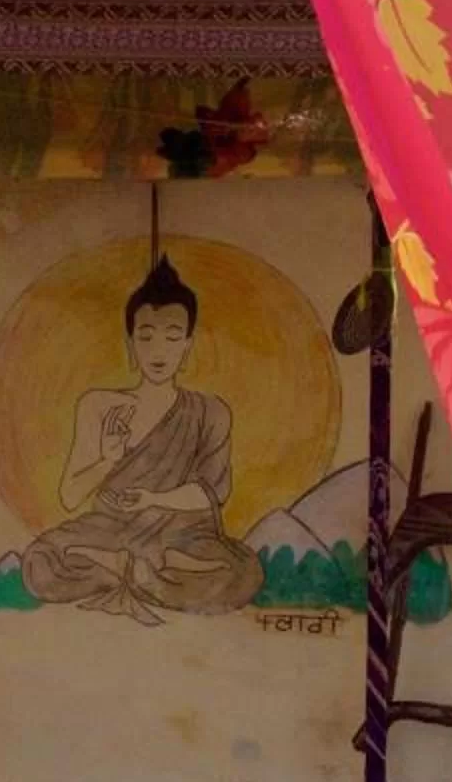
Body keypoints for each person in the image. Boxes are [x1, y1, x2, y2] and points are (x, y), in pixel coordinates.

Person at [18, 255, 266, 623]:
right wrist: (108, 459)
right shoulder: (100, 406)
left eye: (172, 337)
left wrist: (154, 499)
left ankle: (132, 570)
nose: (158, 350)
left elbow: (211, 494)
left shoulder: (209, 412)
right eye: (146, 336)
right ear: (131, 343)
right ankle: (137, 570)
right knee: (39, 563)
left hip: (181, 535)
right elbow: (70, 496)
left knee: (244, 575)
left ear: (187, 345)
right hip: (110, 529)